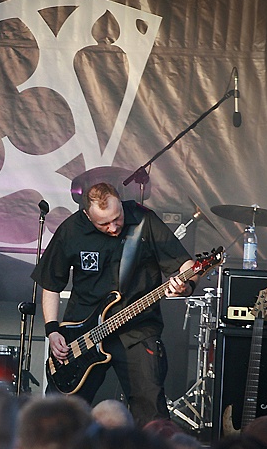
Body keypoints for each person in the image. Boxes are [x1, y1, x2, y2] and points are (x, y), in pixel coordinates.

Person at [31, 182, 197, 425]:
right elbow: (50, 283)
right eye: (103, 224)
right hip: (82, 334)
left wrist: (186, 285)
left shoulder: (143, 221)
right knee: (61, 416)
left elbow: (186, 265)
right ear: (87, 215)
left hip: (136, 331)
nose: (113, 227)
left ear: (120, 203)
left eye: (117, 218)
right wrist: (53, 330)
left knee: (151, 413)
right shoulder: (71, 230)